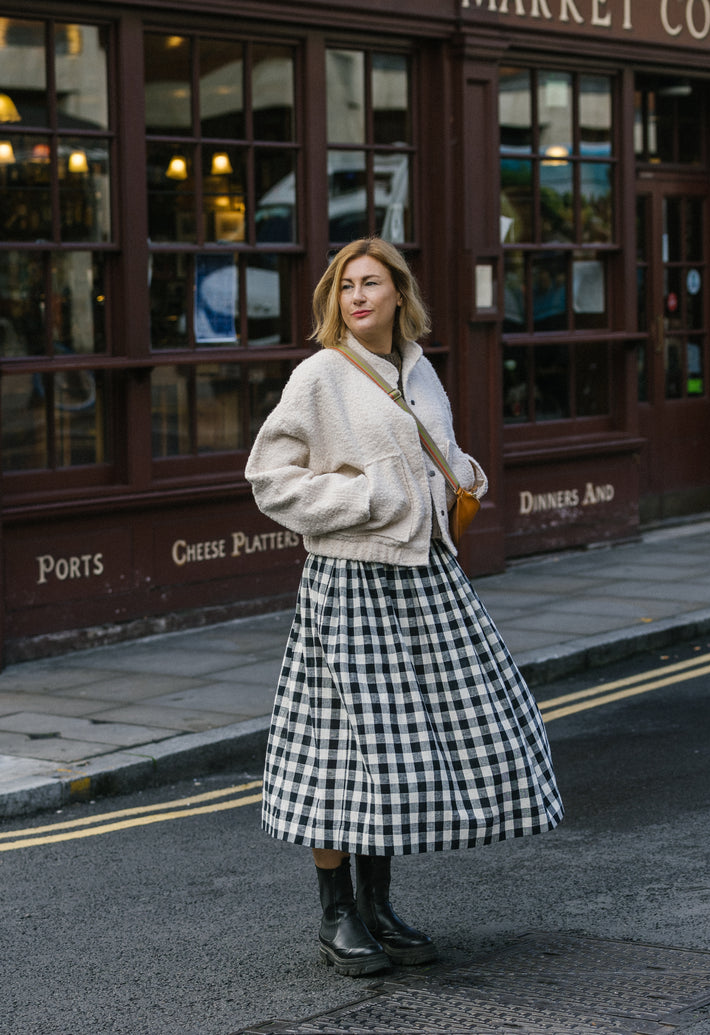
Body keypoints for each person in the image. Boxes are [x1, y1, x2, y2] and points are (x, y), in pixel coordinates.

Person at [245, 237, 563, 977]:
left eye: (371, 283)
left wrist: (453, 478)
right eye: (346, 286)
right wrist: (372, 496)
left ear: (397, 294)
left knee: (393, 752)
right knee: (338, 751)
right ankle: (336, 915)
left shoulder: (419, 370)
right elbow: (269, 478)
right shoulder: (319, 375)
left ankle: (378, 905)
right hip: (349, 584)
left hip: (423, 581)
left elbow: (428, 453)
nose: (357, 296)